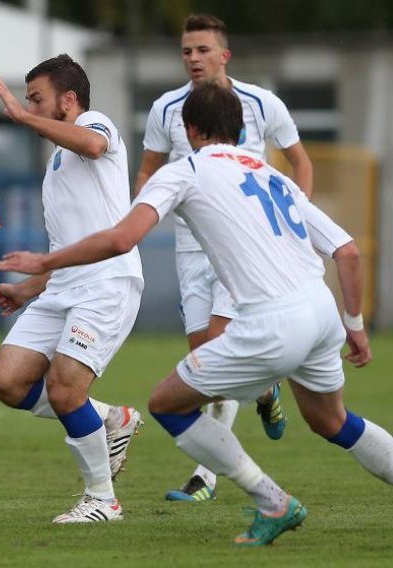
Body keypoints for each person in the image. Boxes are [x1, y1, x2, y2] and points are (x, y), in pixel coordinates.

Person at [0, 82, 393, 546]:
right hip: (322, 312)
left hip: (271, 321)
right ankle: (265, 412)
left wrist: (45, 261)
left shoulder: (183, 171)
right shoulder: (271, 174)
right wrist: (355, 327)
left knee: (167, 403)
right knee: (333, 421)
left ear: (188, 129)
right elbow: (347, 252)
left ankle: (273, 501)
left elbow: (122, 239)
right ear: (241, 129)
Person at [135, 13, 315, 502]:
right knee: (205, 369)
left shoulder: (261, 103)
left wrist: (293, 225)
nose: (193, 58)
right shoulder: (166, 108)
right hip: (193, 249)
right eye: (186, 51)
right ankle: (264, 389)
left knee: (215, 353)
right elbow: (148, 173)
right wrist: (137, 223)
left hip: (248, 251)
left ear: (224, 55)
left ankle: (206, 478)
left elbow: (300, 163)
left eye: (202, 50)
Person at [0, 54, 144, 524]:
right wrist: (28, 288)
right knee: (8, 381)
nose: (30, 106)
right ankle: (113, 420)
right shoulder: (57, 162)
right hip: (64, 288)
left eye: (38, 98)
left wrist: (21, 116)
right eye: (27, 100)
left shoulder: (96, 125)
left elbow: (94, 146)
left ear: (68, 100)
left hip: (106, 284)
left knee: (64, 389)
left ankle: (103, 500)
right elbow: (66, 247)